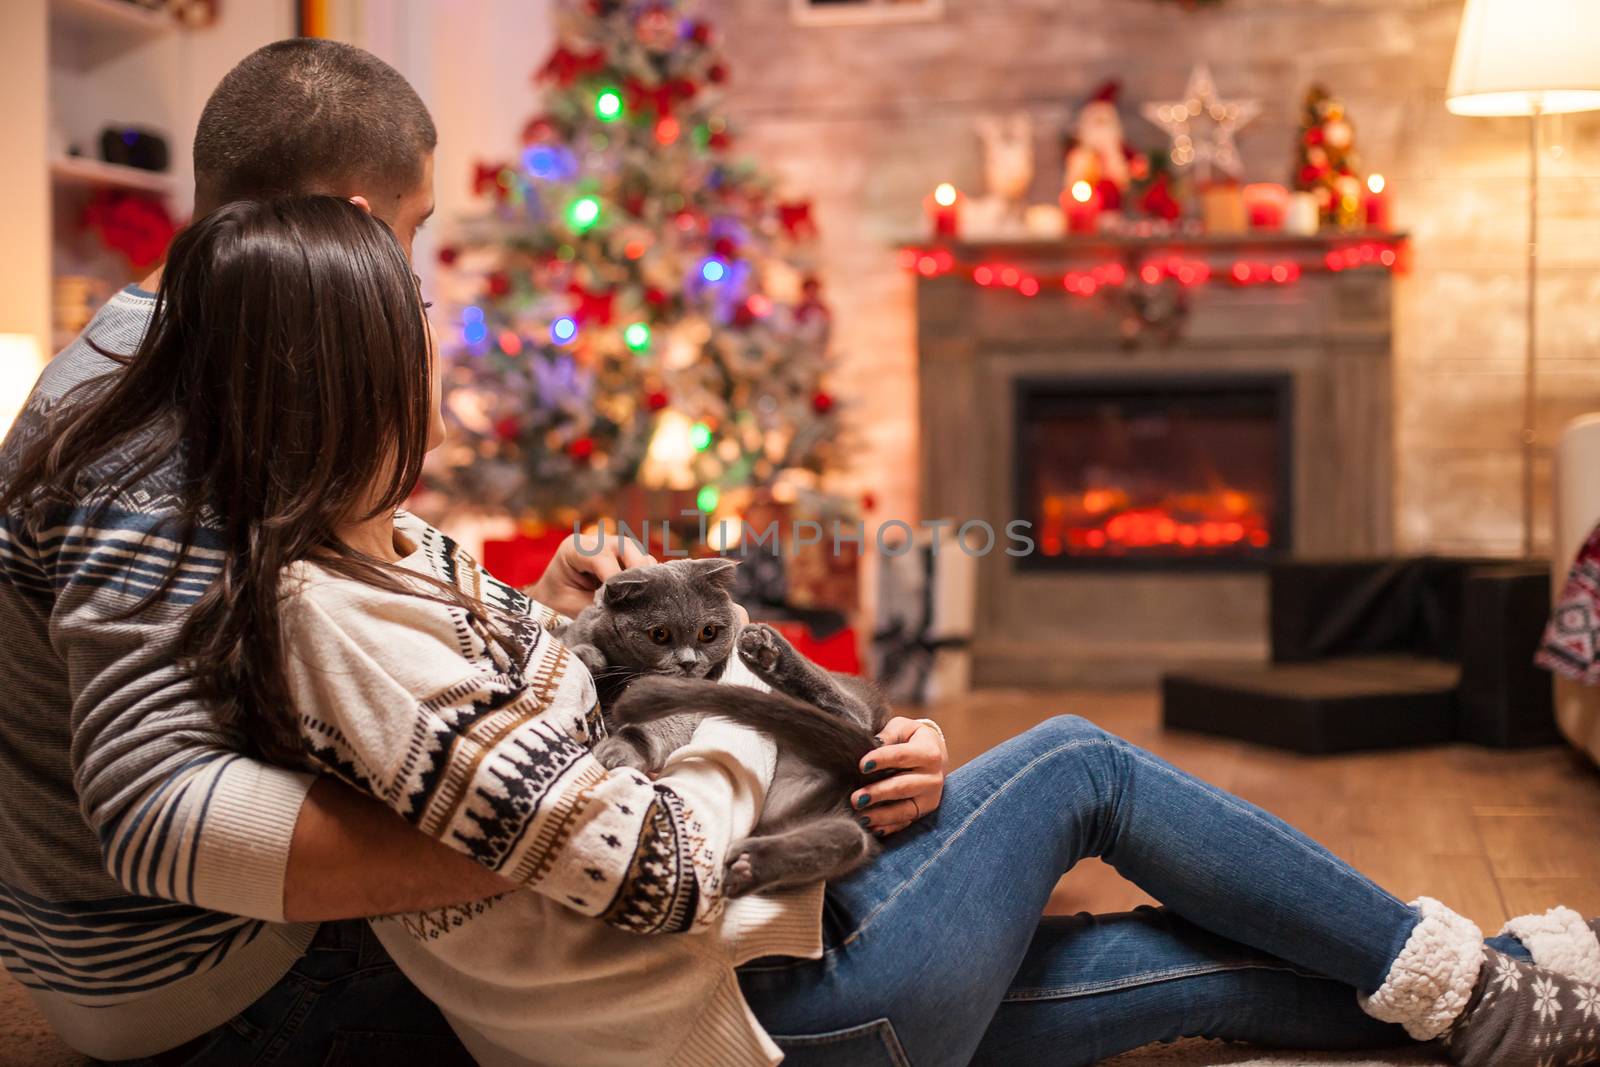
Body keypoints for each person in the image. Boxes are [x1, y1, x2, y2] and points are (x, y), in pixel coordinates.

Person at [12, 193, 1598, 1067]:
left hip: (742, 990)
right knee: (1079, 763)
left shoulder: (377, 551)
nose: (441, 363)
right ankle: (1473, 977)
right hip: (736, 1010)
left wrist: (573, 620)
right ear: (342, 374)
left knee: (1171, 969)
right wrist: (701, 708)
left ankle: (1492, 985)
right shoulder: (325, 611)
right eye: (412, 328)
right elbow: (653, 855)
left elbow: (520, 727)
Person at [0, 39, 951, 1063]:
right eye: (411, 233)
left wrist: (528, 620)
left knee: (832, 860)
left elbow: (324, 623)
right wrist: (530, 840)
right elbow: (159, 811)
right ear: (354, 227)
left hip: (170, 952)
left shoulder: (175, 355)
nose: (408, 279)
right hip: (208, 982)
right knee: (787, 918)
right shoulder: (153, 430)